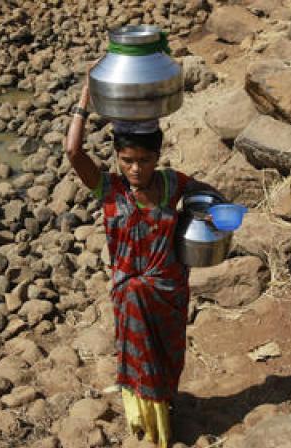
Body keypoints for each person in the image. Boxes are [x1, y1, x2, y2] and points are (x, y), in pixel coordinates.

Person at [64, 70, 222, 447]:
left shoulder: (172, 184)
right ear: (118, 157)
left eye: (145, 160)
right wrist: (84, 102)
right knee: (138, 359)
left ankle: (165, 410)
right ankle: (147, 426)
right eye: (127, 160)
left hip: (168, 292)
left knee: (167, 358)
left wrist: (210, 213)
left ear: (157, 156)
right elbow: (73, 152)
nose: (136, 169)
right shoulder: (109, 188)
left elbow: (210, 196)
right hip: (131, 296)